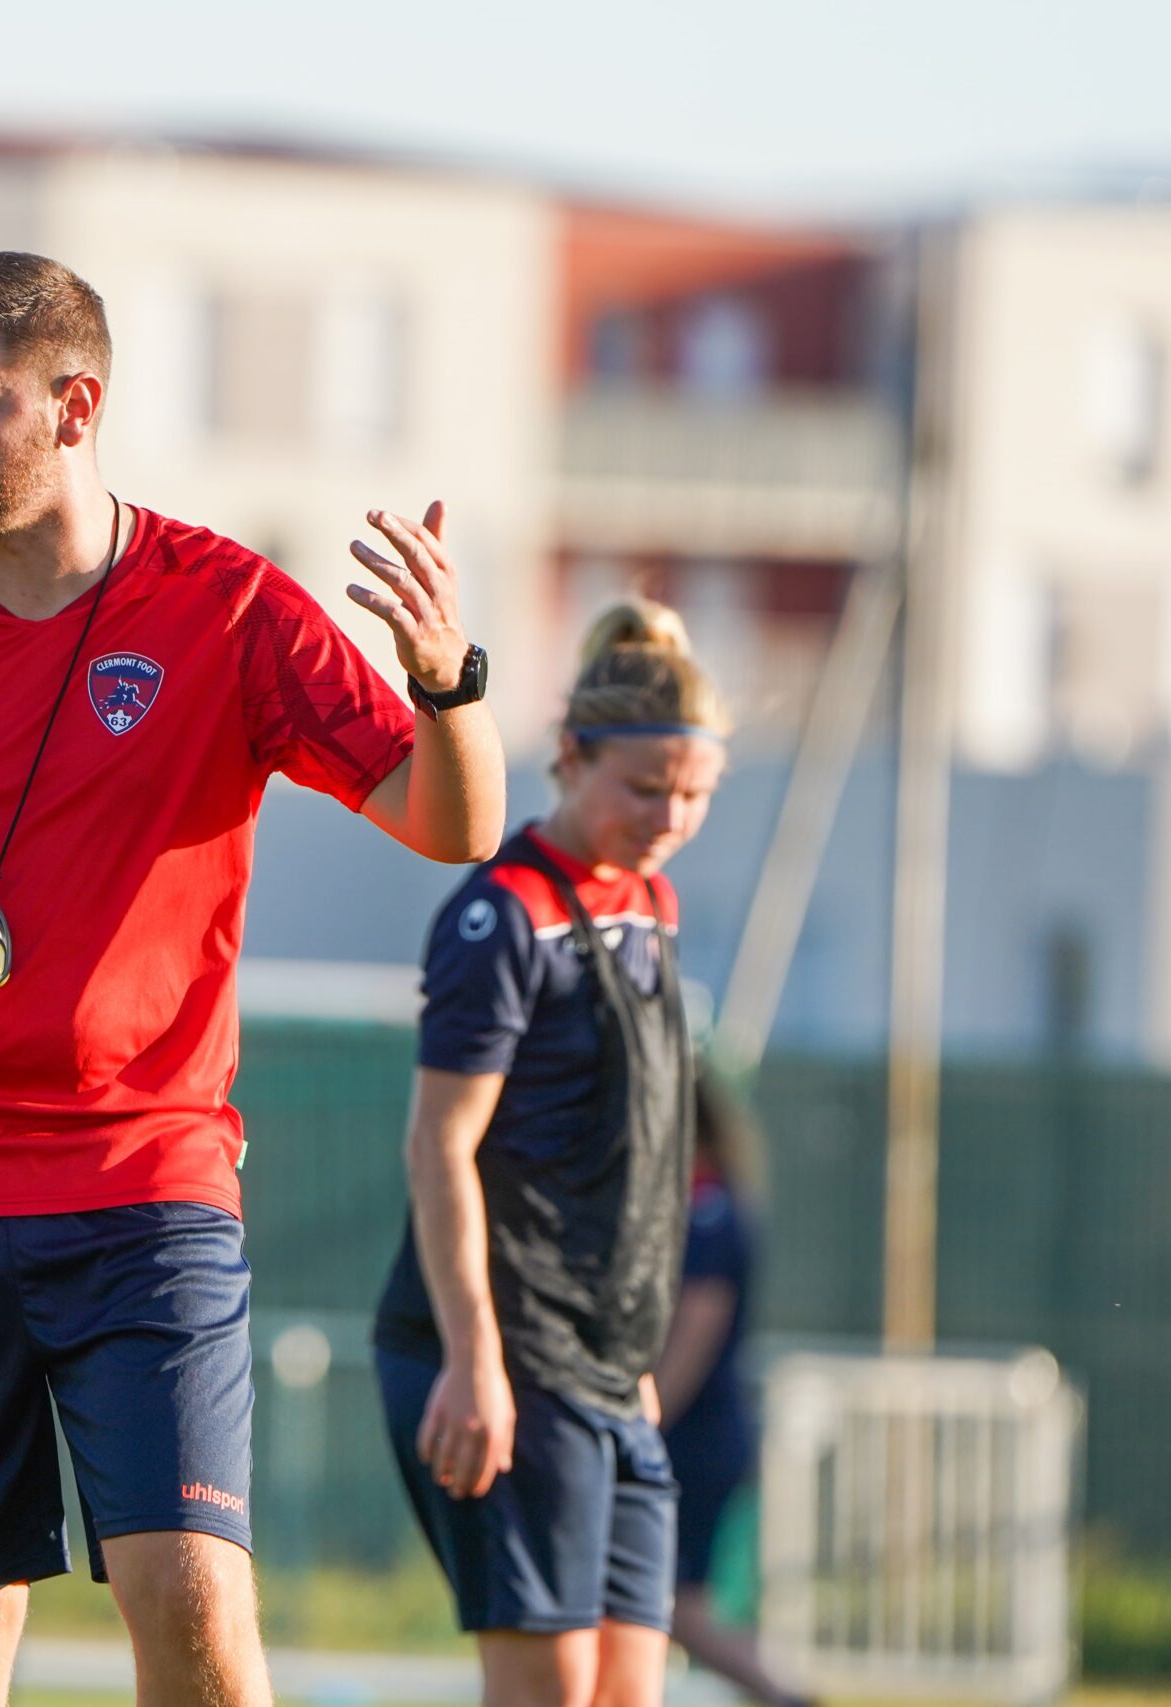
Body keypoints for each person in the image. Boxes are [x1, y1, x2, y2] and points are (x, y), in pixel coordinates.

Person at [0, 250, 507, 1707]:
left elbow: (452, 826)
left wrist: (446, 678)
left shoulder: (225, 608)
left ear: (75, 403)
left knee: (197, 1599)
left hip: (143, 1190)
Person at [372, 597, 730, 1707]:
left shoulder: (651, 905)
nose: (668, 816)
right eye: (644, 789)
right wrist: (475, 1359)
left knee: (629, 1689)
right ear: (570, 757)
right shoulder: (505, 916)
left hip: (603, 1368)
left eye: (693, 795)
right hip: (506, 1355)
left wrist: (629, 1354)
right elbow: (439, 1146)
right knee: (548, 1691)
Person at [655, 1074, 810, 1707]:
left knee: (678, 1615)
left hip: (696, 1438)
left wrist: (645, 1421)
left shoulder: (710, 1210)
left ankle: (789, 1698)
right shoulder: (697, 1204)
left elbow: (698, 1327)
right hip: (697, 1434)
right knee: (673, 1613)